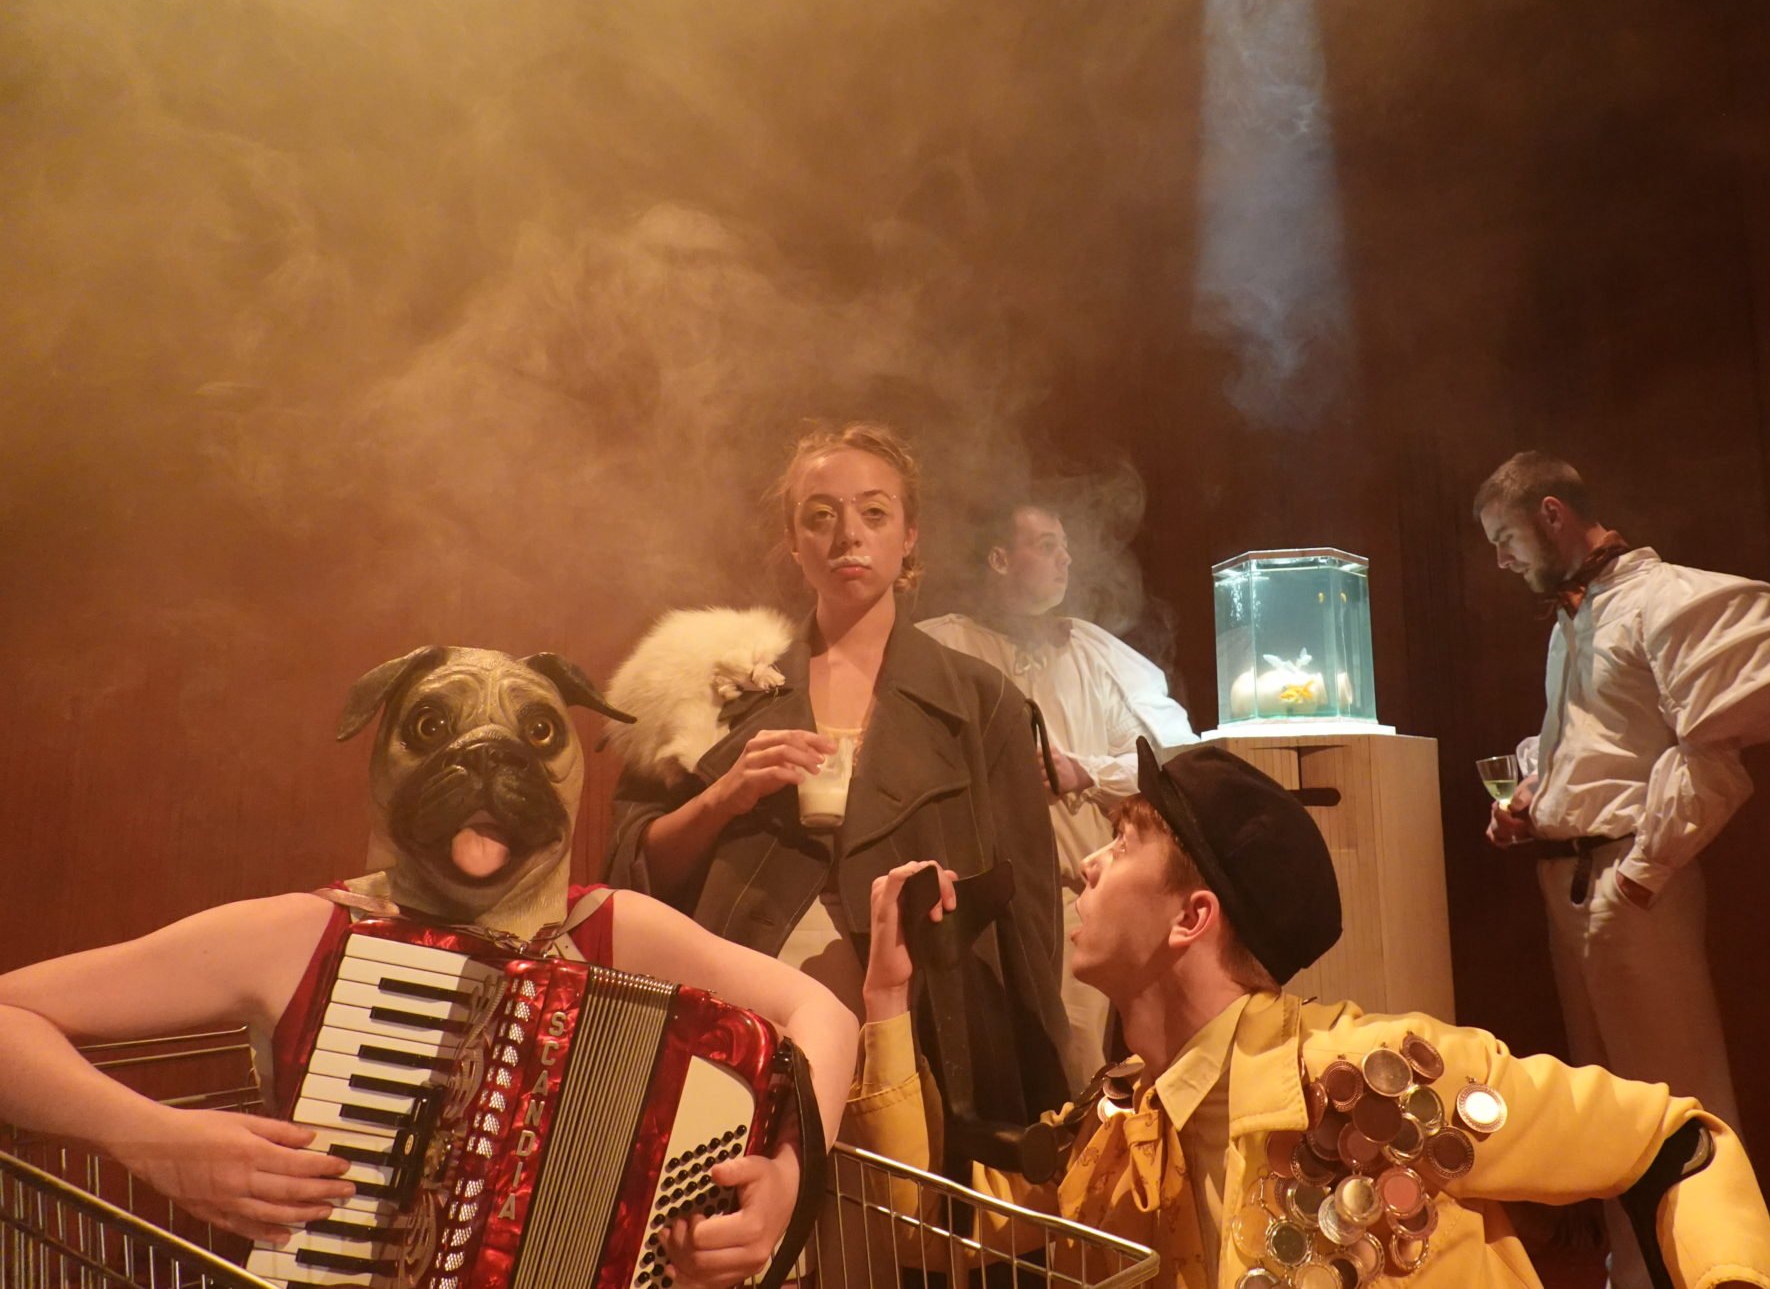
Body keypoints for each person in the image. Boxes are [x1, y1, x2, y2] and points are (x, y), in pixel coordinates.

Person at [0, 646, 857, 1289]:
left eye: (536, 733)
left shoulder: (610, 925)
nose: (487, 758)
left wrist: (790, 1179)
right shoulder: (300, 934)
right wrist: (156, 1139)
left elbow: (823, 1013)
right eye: (433, 728)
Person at [846, 740, 1770, 1288]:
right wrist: (887, 996)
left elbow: (1679, 1140)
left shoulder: (1388, 1075)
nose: (1087, 864)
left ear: (1192, 917)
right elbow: (920, 1224)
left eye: (1125, 840)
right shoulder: (1122, 1130)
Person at [605, 423, 1072, 1156]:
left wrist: (1040, 1079)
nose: (848, 534)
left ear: (909, 536)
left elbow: (1029, 918)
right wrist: (725, 794)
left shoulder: (982, 703)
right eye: (820, 515)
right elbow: (631, 875)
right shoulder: (715, 689)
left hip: (923, 1037)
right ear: (793, 542)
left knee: (898, 1220)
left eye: (874, 512)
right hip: (743, 1034)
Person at [1473, 450, 1770, 1288]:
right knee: (1611, 1111)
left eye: (1504, 537)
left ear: (1552, 514)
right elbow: (1594, 748)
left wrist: (1642, 874)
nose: (1500, 560)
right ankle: (1638, 1275)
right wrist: (1530, 797)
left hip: (1630, 882)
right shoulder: (1573, 621)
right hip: (1573, 883)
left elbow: (1712, 759)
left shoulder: (1663, 601)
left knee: (1677, 1095)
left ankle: (1720, 1274)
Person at [919, 500, 1200, 1087]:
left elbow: (1171, 759)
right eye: (1047, 545)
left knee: (1075, 1066)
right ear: (1000, 559)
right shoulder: (941, 650)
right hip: (975, 913)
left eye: (1065, 545)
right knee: (982, 1069)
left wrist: (1085, 772)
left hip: (1079, 908)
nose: (1066, 558)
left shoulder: (1095, 655)